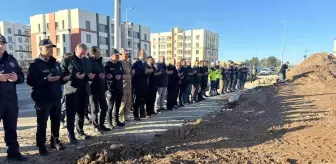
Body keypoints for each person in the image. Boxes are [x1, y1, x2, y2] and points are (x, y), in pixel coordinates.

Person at [27, 39, 66, 155]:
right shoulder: (35, 64)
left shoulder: (55, 63)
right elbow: (30, 81)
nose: (50, 50)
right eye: (47, 48)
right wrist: (45, 79)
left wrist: (64, 79)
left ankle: (55, 141)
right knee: (42, 123)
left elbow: (60, 79)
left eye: (51, 47)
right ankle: (41, 145)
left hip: (56, 97)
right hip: (42, 99)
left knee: (56, 121)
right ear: (40, 49)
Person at [60, 43, 94, 144]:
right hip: (72, 90)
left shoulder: (87, 61)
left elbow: (87, 73)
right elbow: (62, 74)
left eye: (84, 54)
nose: (83, 56)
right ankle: (71, 135)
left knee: (81, 113)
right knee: (71, 114)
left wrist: (89, 76)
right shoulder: (67, 60)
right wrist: (74, 76)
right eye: (81, 54)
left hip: (84, 90)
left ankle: (80, 132)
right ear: (76, 50)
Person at [0, 34, 26, 161]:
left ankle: (13, 152)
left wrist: (17, 78)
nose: (1, 46)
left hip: (10, 100)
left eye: (2, 43)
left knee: (11, 127)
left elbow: (21, 76)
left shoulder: (11, 59)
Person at [88, 46, 111, 134]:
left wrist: (106, 76)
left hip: (102, 88)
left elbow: (103, 73)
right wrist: (97, 76)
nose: (100, 53)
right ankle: (95, 126)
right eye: (98, 52)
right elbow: (89, 74)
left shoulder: (99, 61)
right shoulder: (89, 62)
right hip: (93, 89)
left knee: (104, 107)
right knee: (95, 109)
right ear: (93, 53)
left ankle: (101, 124)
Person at [105, 49, 125, 127]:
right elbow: (105, 75)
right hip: (111, 89)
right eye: (116, 55)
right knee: (110, 107)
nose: (117, 56)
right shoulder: (108, 65)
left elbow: (122, 74)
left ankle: (117, 121)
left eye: (118, 55)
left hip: (119, 88)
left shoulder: (119, 64)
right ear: (112, 55)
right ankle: (109, 122)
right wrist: (111, 77)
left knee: (117, 106)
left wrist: (121, 76)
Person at [132, 49, 148, 120]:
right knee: (137, 100)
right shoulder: (136, 63)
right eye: (142, 54)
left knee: (143, 100)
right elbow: (134, 73)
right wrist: (144, 72)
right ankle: (136, 115)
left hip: (144, 84)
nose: (144, 55)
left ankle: (142, 113)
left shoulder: (144, 63)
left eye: (144, 54)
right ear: (139, 54)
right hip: (137, 84)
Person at [119, 48, 132, 122]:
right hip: (123, 86)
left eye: (127, 54)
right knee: (122, 102)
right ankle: (120, 117)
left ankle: (126, 116)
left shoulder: (128, 63)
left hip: (129, 85)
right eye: (125, 54)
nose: (127, 55)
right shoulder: (119, 63)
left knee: (128, 102)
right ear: (121, 54)